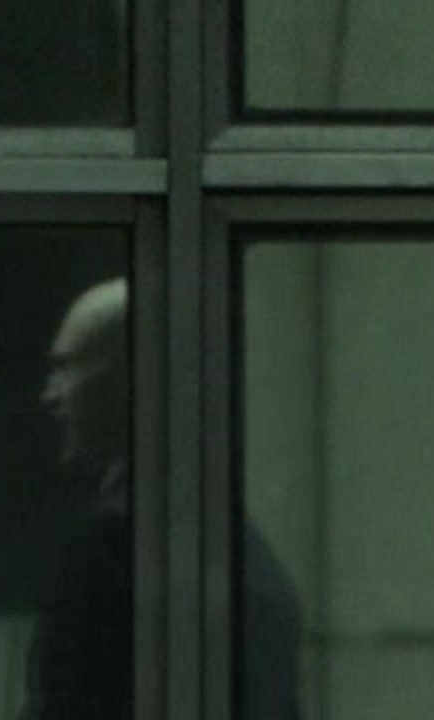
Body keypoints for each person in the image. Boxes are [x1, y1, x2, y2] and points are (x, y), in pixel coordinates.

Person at [24, 278, 304, 719]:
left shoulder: (118, 543)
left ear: (129, 373)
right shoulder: (243, 553)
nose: (50, 395)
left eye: (67, 367)